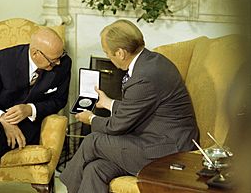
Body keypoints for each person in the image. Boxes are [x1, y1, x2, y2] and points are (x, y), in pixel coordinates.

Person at [59, 19, 199, 193]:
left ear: (120, 53)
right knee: (95, 169)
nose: (108, 57)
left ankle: (67, 188)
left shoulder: (144, 77)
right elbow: (140, 107)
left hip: (169, 150)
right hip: (151, 139)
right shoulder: (152, 61)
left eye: (107, 53)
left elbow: (118, 125)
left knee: (92, 141)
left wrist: (91, 119)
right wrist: (109, 103)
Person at [0, 28, 72, 193]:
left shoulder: (63, 63)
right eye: (53, 60)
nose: (58, 62)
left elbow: (59, 100)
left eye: (61, 56)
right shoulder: (3, 59)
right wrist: (3, 119)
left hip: (27, 126)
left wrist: (30, 109)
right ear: (36, 53)